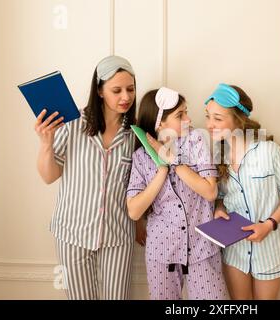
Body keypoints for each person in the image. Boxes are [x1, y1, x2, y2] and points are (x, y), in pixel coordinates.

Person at [34, 55, 138, 299]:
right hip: (72, 232)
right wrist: (46, 143)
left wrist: (141, 223)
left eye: (130, 89)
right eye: (116, 90)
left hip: (118, 234)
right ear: (100, 91)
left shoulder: (135, 135)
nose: (126, 97)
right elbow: (49, 176)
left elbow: (138, 186)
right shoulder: (72, 124)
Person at [126, 87, 227, 300]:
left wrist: (173, 161)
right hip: (162, 251)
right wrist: (162, 169)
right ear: (159, 122)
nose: (189, 119)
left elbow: (210, 191)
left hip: (202, 248)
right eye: (180, 115)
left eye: (186, 112)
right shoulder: (141, 157)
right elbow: (134, 211)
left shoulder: (196, 142)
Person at [204, 83, 280, 300]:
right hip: (235, 249)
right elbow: (220, 196)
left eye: (218, 118)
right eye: (208, 116)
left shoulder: (269, 151)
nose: (210, 125)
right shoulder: (217, 155)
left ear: (239, 120)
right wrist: (219, 208)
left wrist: (269, 224)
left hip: (269, 248)